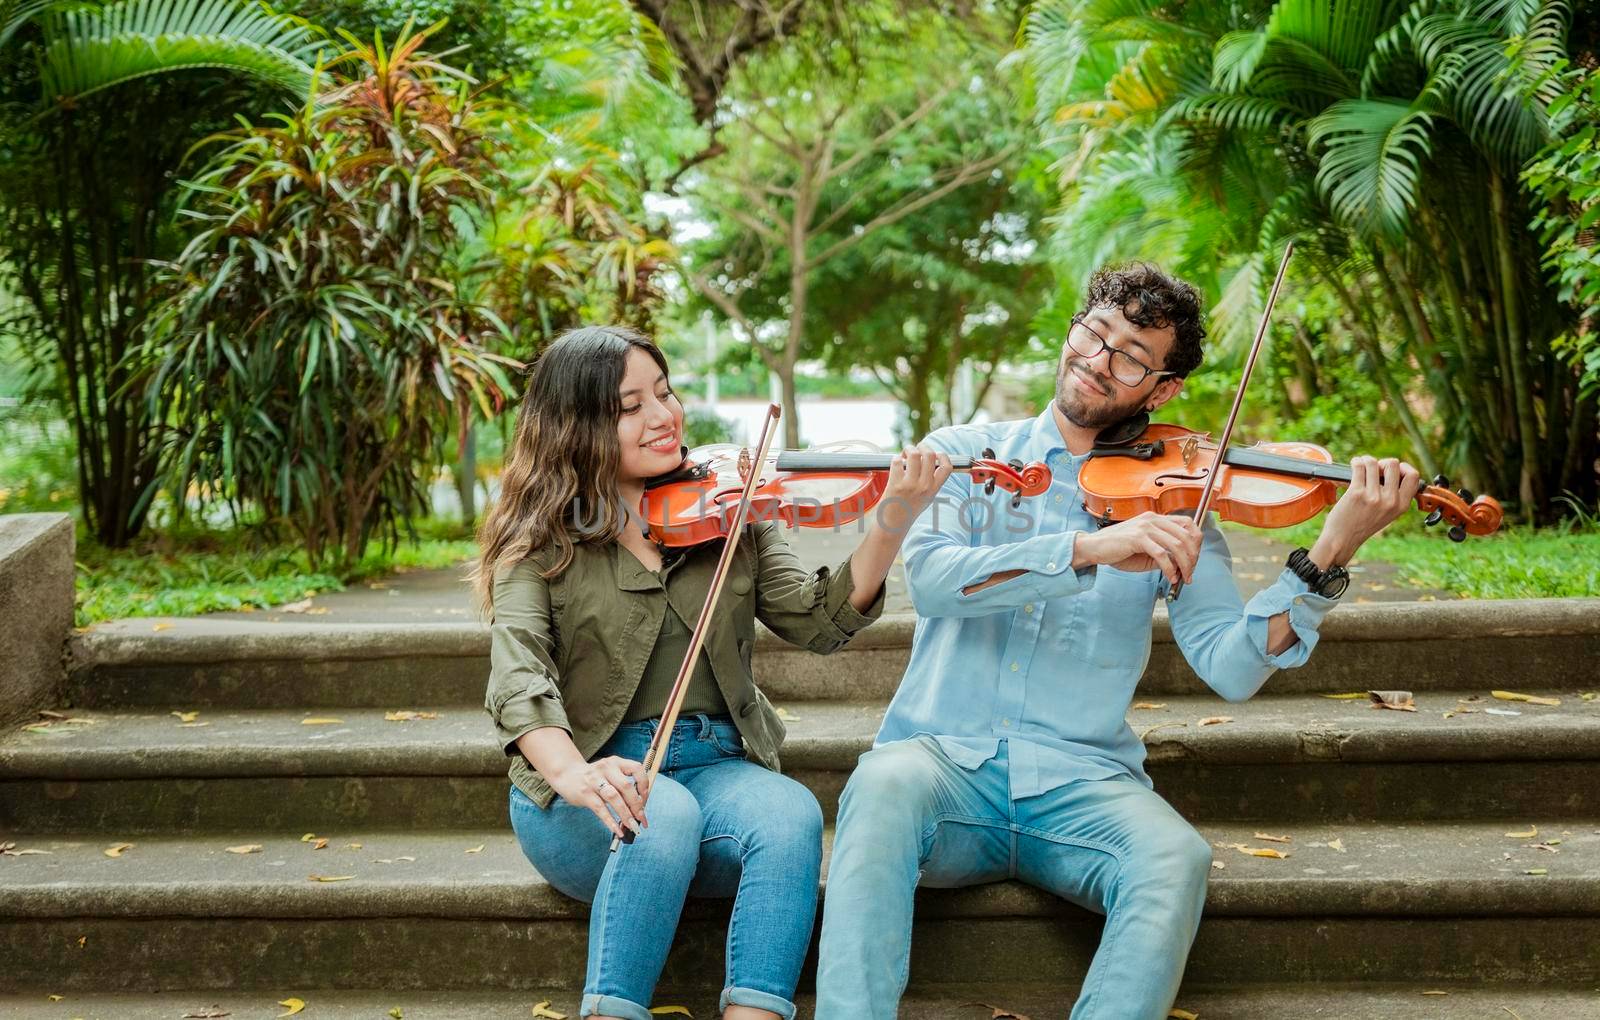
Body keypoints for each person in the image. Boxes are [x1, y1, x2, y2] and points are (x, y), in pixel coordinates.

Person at [813, 263, 1420, 1019]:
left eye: (1131, 356)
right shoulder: (969, 453)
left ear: (1161, 390)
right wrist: (1091, 549)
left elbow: (1231, 666)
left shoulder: (1179, 500)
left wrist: (1327, 554)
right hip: (942, 764)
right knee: (879, 784)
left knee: (1176, 857)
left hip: (1080, 784)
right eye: (1095, 334)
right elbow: (935, 581)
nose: (1099, 360)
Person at [475, 325, 950, 1020]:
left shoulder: (731, 509)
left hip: (716, 764)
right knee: (656, 812)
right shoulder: (539, 541)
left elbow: (816, 623)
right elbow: (519, 678)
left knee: (789, 813)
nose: (663, 417)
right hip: (583, 791)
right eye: (629, 407)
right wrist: (574, 773)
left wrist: (892, 521)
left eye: (664, 393)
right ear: (576, 426)